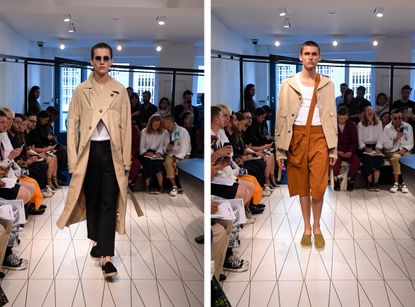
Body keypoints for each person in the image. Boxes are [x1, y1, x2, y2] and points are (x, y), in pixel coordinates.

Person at [56, 42, 135, 278]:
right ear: (91, 61)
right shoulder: (81, 90)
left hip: (112, 152)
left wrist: (127, 161)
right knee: (92, 199)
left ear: (111, 61)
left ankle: (107, 257)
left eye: (106, 58)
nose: (102, 62)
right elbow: (73, 128)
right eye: (98, 58)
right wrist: (72, 161)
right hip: (88, 152)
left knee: (109, 201)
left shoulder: (120, 90)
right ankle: (98, 242)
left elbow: (126, 127)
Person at [275, 41, 337, 250]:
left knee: (318, 186)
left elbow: (332, 116)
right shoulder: (288, 83)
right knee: (302, 185)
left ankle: (317, 226)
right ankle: (307, 228)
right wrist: (280, 150)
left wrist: (333, 148)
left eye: (314, 54)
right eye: (307, 54)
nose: (310, 57)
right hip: (296, 136)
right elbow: (281, 117)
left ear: (319, 57)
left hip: (320, 135)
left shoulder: (327, 83)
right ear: (300, 56)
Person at [383, 108, 413, 193]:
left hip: (404, 150)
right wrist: (395, 139)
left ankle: (404, 183)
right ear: (391, 117)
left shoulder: (408, 126)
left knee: (407, 157)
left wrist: (404, 149)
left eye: (399, 118)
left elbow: (410, 142)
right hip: (391, 151)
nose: (398, 120)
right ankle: (396, 182)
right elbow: (385, 145)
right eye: (395, 118)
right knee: (396, 157)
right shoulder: (387, 128)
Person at [162, 114, 191, 196]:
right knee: (168, 162)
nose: (165, 124)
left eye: (166, 122)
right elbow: (164, 147)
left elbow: (185, 148)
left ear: (172, 122)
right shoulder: (165, 133)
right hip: (171, 155)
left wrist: (178, 159)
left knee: (181, 164)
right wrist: (167, 149)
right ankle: (174, 186)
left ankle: (184, 186)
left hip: (183, 155)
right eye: (164, 123)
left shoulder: (182, 131)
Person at [333, 106, 360, 191]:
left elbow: (355, 142)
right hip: (337, 150)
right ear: (337, 116)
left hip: (348, 150)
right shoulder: (333, 125)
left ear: (347, 116)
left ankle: (350, 179)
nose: (342, 120)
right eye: (341, 118)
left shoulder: (351, 125)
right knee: (336, 161)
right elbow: (330, 140)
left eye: (344, 118)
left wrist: (350, 151)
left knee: (356, 161)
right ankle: (336, 180)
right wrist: (337, 151)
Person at [357, 106, 384, 191]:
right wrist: (365, 148)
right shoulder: (360, 125)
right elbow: (360, 141)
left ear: (374, 113)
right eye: (368, 111)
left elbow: (381, 137)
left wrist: (378, 147)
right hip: (365, 147)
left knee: (379, 158)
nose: (370, 112)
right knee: (367, 159)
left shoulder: (379, 123)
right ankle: (369, 182)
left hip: (376, 146)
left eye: (371, 110)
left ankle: (376, 183)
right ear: (365, 114)